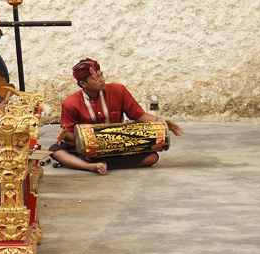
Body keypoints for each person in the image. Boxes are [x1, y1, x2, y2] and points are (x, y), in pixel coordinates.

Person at [50, 58, 184, 175]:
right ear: (83, 84)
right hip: (88, 150)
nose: (102, 80)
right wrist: (65, 134)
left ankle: (93, 164)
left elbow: (138, 115)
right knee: (56, 151)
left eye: (101, 75)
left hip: (117, 146)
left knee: (152, 157)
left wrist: (160, 121)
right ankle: (91, 166)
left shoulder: (119, 91)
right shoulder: (69, 104)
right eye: (96, 78)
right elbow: (73, 137)